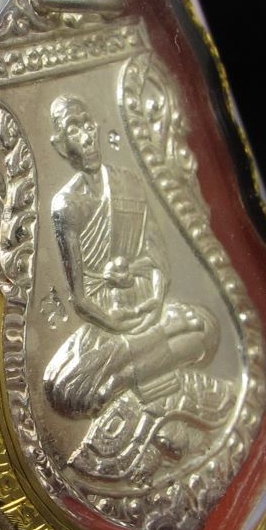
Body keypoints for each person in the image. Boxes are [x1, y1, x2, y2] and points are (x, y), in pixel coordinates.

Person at [44, 95, 220, 421]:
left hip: (147, 301)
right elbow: (80, 299)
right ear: (60, 145)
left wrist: (153, 302)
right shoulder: (67, 205)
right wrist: (120, 323)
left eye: (87, 125)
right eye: (73, 130)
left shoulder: (129, 183)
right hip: (105, 318)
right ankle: (141, 359)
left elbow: (156, 258)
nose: (86, 137)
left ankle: (122, 378)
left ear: (96, 126)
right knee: (66, 390)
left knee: (207, 328)